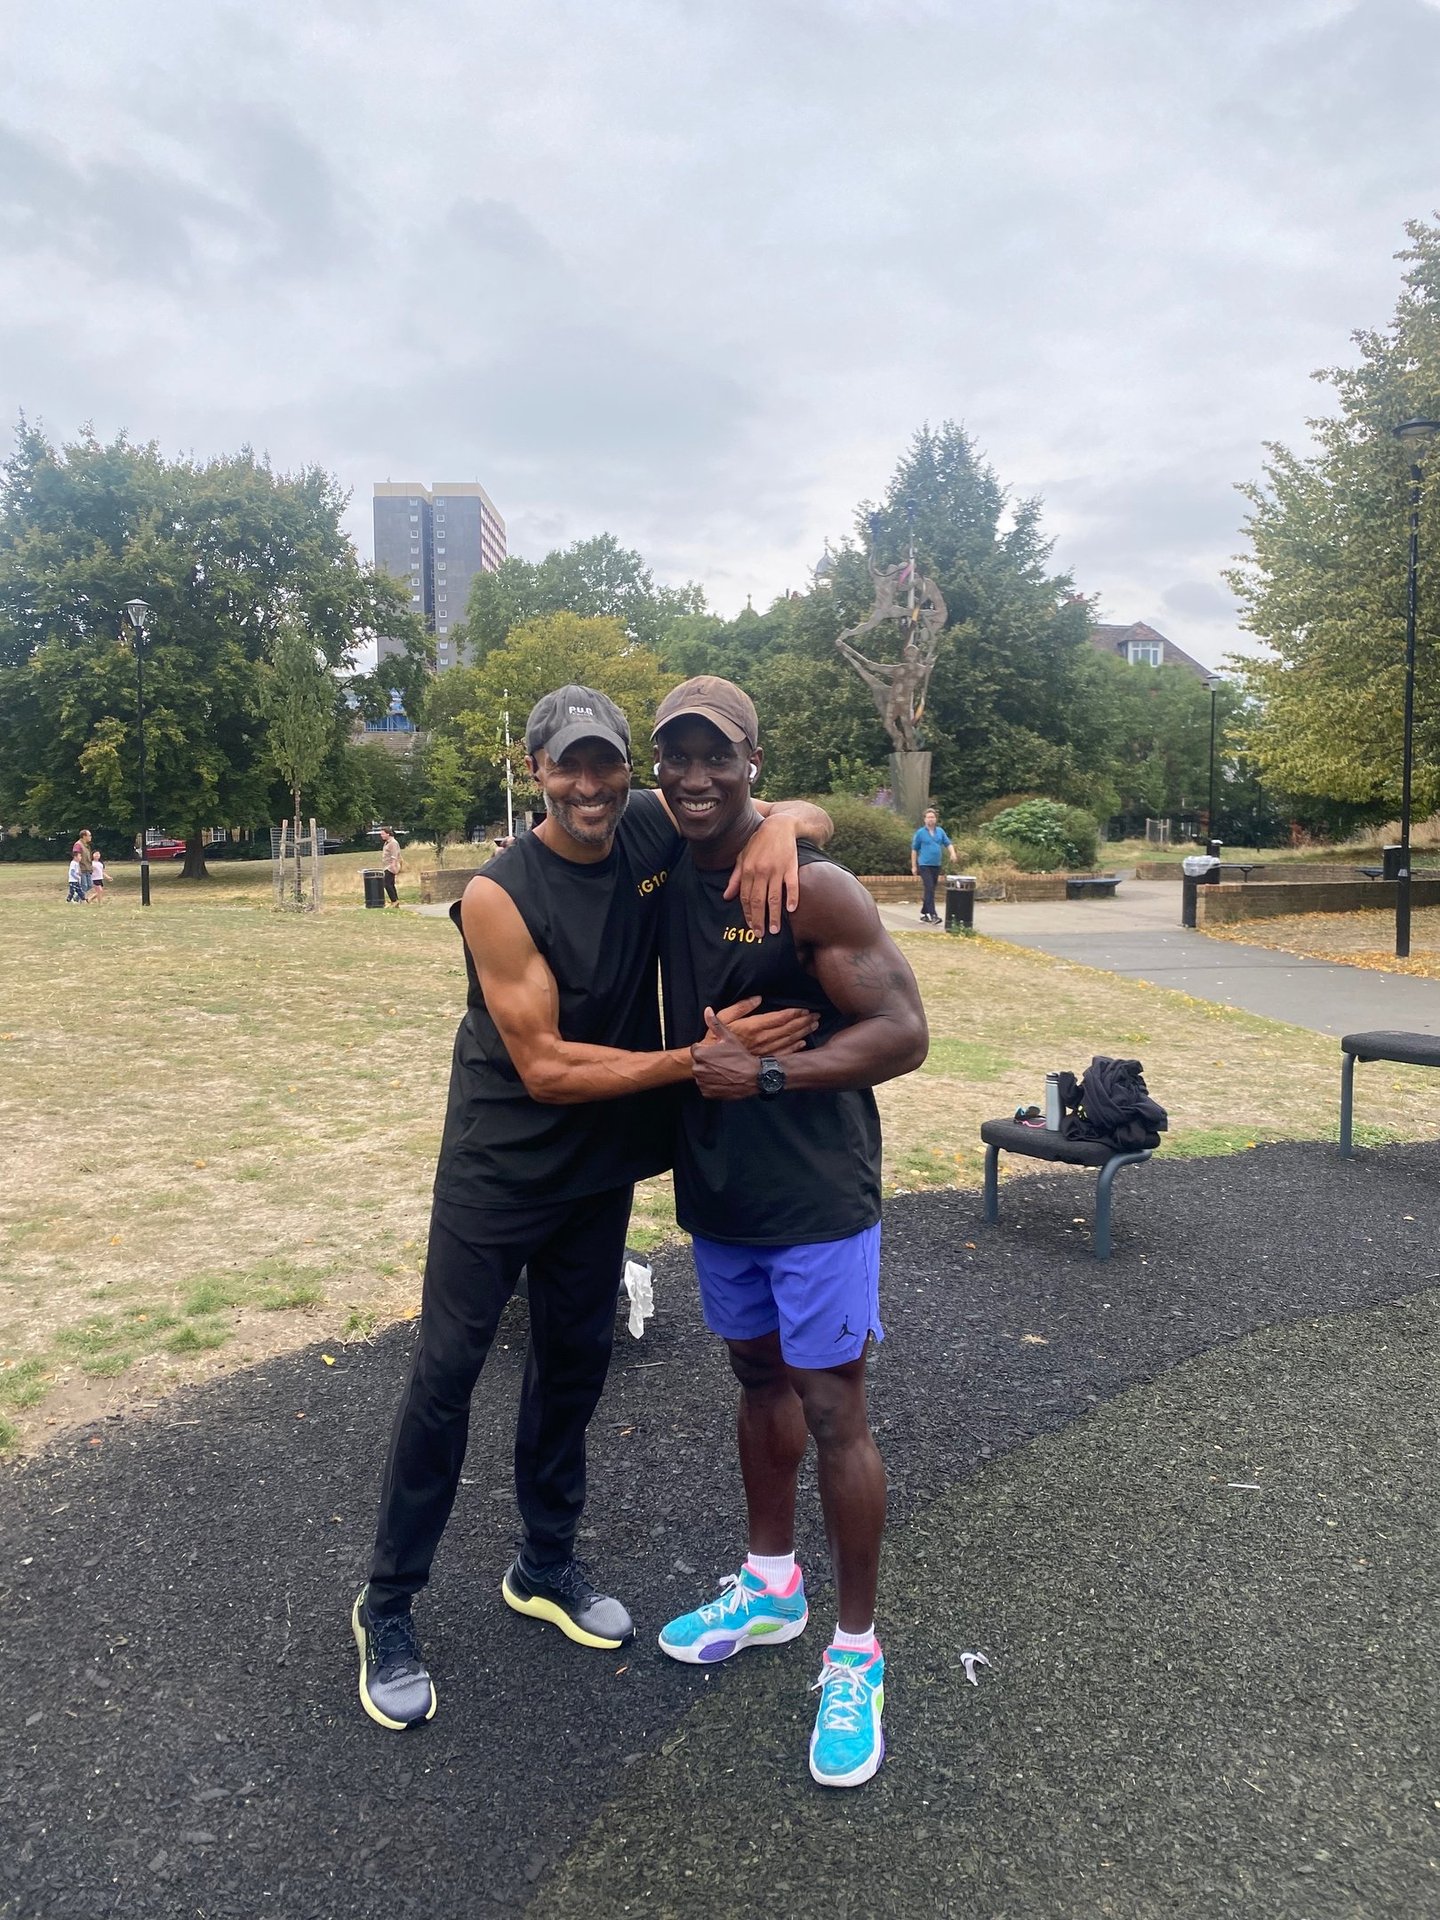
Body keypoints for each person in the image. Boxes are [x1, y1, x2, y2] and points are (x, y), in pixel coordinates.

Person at [353, 684, 832, 1732]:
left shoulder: (649, 825)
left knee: (574, 1367)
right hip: (504, 1162)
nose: (588, 785)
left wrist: (787, 828)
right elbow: (545, 1067)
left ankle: (545, 1567)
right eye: (566, 766)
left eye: (603, 764)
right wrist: (697, 1061)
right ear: (535, 772)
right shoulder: (497, 894)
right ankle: (389, 1608)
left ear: (627, 769)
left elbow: (780, 809)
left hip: (596, 1168)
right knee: (447, 1376)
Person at [651, 676, 928, 1789]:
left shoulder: (812, 888)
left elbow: (904, 1033)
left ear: (752, 761)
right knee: (756, 1382)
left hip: (814, 1194)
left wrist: (766, 1073)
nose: (694, 776)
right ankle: (772, 1587)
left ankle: (856, 1654)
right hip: (717, 1195)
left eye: (717, 756)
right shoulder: (657, 857)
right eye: (676, 755)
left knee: (832, 1406)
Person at [910, 807, 956, 923]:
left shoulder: (940, 831)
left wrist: (953, 853)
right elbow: (914, 850)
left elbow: (948, 843)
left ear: (936, 819)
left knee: (930, 889)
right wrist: (914, 866)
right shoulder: (920, 833)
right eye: (928, 817)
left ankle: (924, 913)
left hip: (936, 864)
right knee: (929, 888)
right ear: (924, 819)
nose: (931, 819)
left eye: (933, 817)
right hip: (924, 864)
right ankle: (933, 915)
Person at [378, 827, 403, 906]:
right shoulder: (387, 842)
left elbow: (394, 855)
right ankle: (395, 901)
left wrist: (393, 865)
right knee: (391, 883)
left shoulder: (393, 843)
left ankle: (394, 900)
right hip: (387, 866)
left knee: (386, 883)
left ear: (388, 833)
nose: (381, 835)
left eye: (383, 834)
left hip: (391, 866)